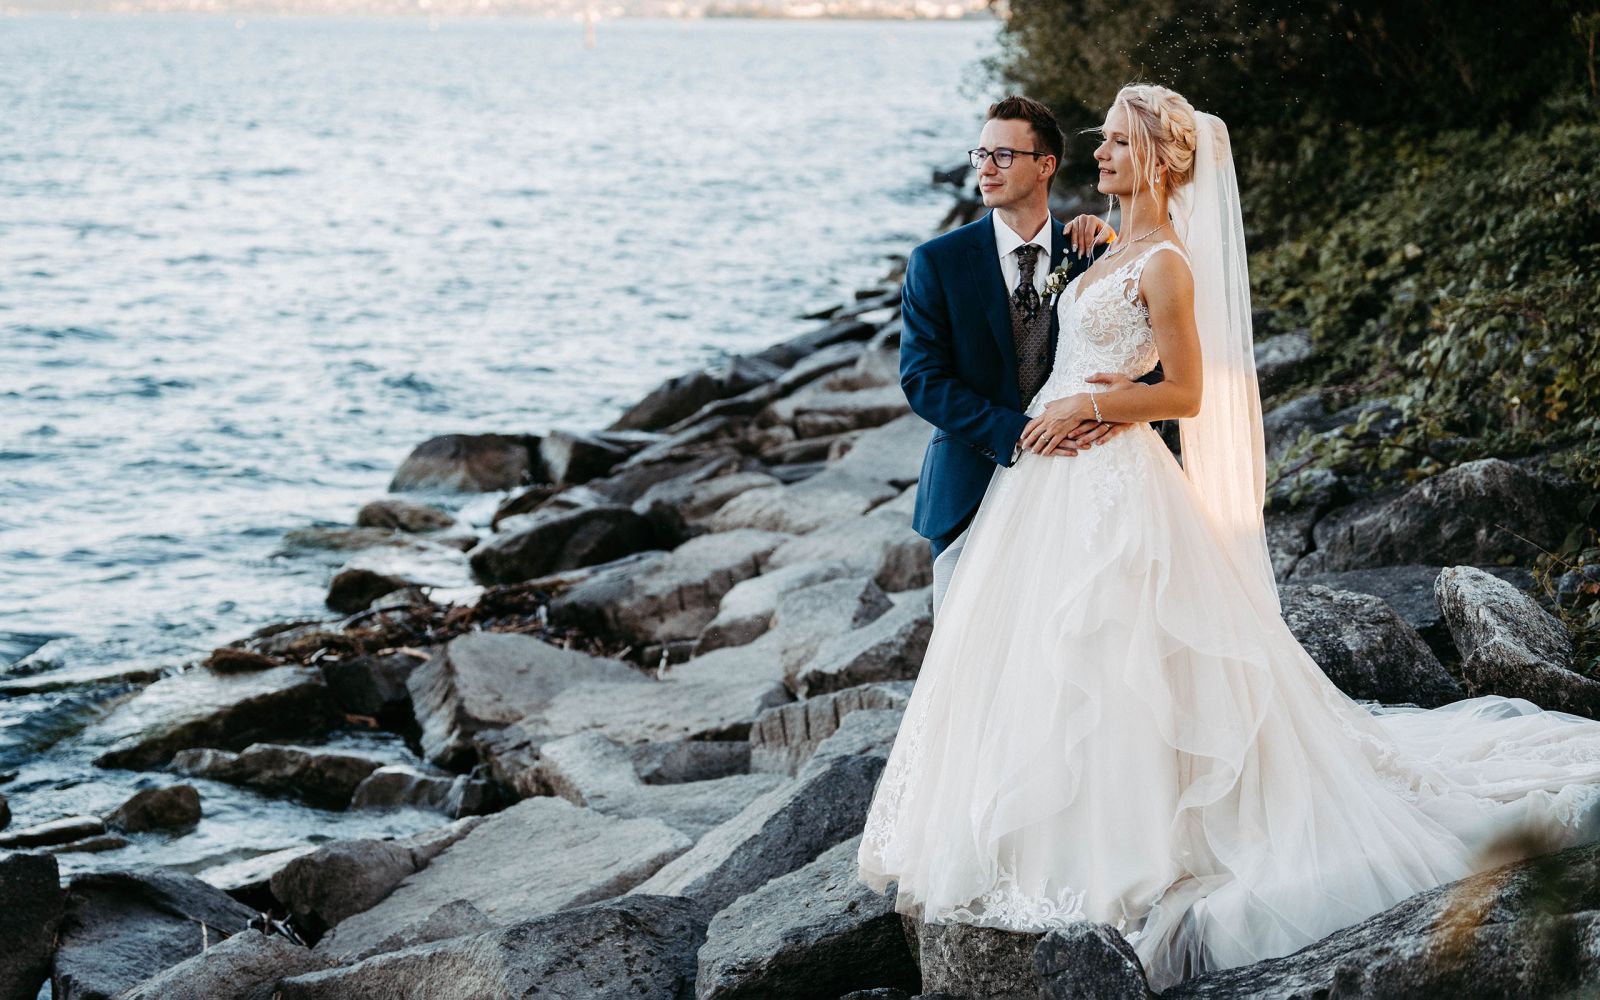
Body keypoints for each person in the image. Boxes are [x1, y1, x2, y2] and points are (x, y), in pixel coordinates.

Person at [857, 83, 1600, 992]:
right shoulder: (1097, 243)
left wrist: (1093, 402)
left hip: (1105, 471)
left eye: (1118, 146)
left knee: (1115, 655)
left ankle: (1124, 838)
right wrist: (1062, 373)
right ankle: (1017, 820)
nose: (1103, 157)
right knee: (1032, 656)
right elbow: (961, 363)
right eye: (1099, 146)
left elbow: (1184, 392)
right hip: (1033, 478)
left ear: (1161, 160)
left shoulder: (1165, 260)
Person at [897, 96, 1163, 616]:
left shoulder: (1088, 249)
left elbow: (1131, 346)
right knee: (967, 653)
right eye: (980, 155)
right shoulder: (937, 262)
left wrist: (1121, 400)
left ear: (1045, 166)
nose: (985, 169)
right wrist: (1016, 431)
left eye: (1003, 156)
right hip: (968, 488)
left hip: (1074, 482)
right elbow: (922, 380)